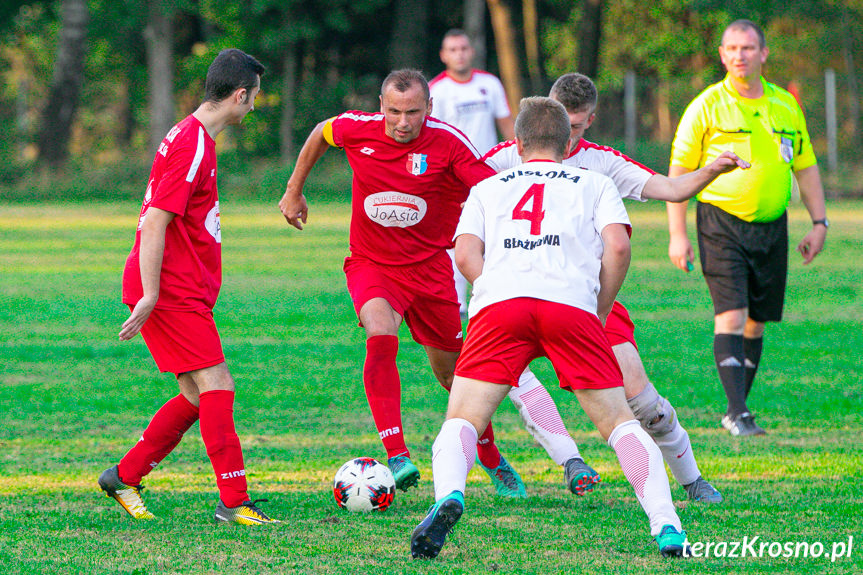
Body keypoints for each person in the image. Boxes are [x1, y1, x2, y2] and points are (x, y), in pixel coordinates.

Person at [411, 97, 689, 560]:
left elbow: (463, 256)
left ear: (517, 144)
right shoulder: (595, 182)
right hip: (570, 307)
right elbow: (617, 247)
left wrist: (496, 286)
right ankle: (667, 526)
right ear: (566, 143)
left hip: (501, 307)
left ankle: (450, 496)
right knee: (619, 423)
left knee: (461, 418)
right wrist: (598, 308)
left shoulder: (489, 187)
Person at [482, 72, 749, 502]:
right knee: (489, 391)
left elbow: (672, 188)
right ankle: (560, 462)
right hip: (517, 296)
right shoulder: (503, 159)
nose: (565, 135)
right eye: (559, 123)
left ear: (590, 120)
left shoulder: (602, 163)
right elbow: (453, 190)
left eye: (576, 126)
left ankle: (691, 479)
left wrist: (714, 168)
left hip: (587, 299)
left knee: (643, 404)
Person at [278, 69, 525, 496]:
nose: (403, 122)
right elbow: (321, 132)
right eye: (394, 111)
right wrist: (294, 189)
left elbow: (491, 192)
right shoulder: (358, 130)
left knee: (454, 376)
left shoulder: (448, 143)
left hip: (431, 270)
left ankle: (487, 452)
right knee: (379, 332)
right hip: (372, 263)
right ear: (381, 105)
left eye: (413, 112)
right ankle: (397, 453)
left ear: (429, 108)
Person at [98, 49, 278, 525]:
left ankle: (124, 476)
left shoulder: (193, 136)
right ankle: (234, 502)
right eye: (254, 97)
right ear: (239, 94)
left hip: (180, 285)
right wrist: (151, 294)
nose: (254, 106)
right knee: (218, 385)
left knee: (199, 397)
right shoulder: (193, 144)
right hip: (169, 289)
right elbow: (156, 221)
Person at [667, 19, 827, 436]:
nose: (740, 55)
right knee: (732, 315)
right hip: (720, 222)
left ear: (763, 53)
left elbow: (805, 166)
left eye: (749, 48)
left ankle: (737, 408)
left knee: (757, 321)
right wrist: (677, 233)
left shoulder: (785, 105)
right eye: (732, 48)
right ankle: (738, 413)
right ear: (722, 55)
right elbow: (678, 172)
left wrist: (820, 222)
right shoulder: (705, 105)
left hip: (773, 226)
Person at [430, 29, 515, 316]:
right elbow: (431, 135)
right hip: (451, 176)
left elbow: (506, 124)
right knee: (457, 238)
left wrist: (520, 159)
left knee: (495, 234)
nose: (459, 54)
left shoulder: (489, 84)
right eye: (452, 49)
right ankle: (458, 302)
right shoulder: (436, 90)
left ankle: (492, 293)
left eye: (463, 48)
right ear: (444, 55)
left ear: (472, 51)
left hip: (489, 173)